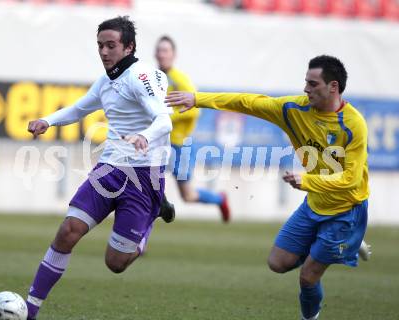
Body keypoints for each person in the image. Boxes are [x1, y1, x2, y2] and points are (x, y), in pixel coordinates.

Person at [165, 55, 370, 320]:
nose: (306, 89)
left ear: (333, 87)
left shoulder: (354, 125)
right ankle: (347, 243)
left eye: (312, 84)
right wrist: (197, 98)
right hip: (315, 204)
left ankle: (311, 316)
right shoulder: (293, 109)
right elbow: (248, 103)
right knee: (277, 263)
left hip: (345, 210)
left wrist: (307, 181)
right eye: (305, 83)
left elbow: (350, 180)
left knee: (307, 277)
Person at [25, 16, 172, 320]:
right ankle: (29, 310)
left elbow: (164, 120)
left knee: (116, 263)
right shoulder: (107, 81)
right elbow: (80, 108)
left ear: (129, 47)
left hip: (144, 175)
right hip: (110, 169)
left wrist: (143, 136)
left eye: (111, 46)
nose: (104, 52)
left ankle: (150, 218)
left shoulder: (142, 75)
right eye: (100, 46)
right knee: (68, 231)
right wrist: (47, 121)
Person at [155, 35, 230, 223]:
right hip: (158, 143)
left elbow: (194, 111)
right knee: (149, 189)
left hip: (179, 145)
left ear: (173, 55)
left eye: (165, 50)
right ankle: (138, 239)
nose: (162, 54)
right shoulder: (153, 78)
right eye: (159, 50)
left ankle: (220, 199)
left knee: (187, 196)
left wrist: (167, 116)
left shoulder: (180, 80)